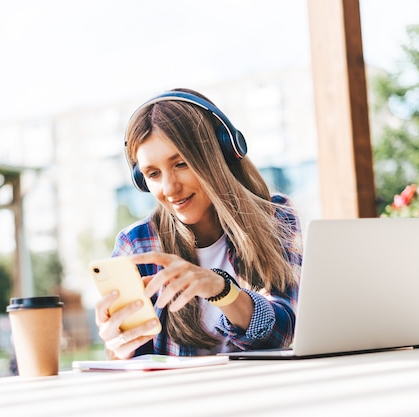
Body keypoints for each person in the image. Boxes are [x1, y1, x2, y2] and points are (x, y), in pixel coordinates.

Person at [95, 88, 302, 358]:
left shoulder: (276, 217)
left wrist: (221, 289)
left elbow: (285, 330)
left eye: (181, 163)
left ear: (222, 152)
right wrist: (117, 345)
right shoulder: (137, 243)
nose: (169, 187)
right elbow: (133, 361)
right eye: (153, 173)